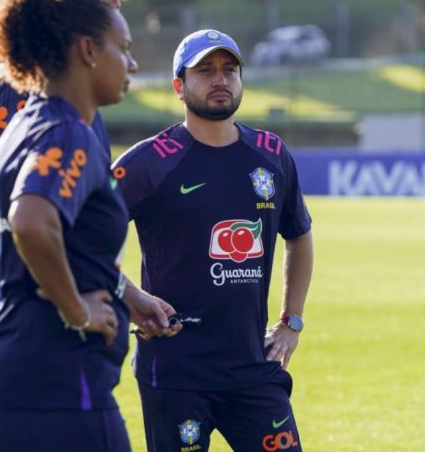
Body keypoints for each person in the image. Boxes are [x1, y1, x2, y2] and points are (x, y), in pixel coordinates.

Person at [0, 0, 176, 451]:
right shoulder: (67, 132)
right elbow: (30, 221)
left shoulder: (23, 125)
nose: (132, 64)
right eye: (124, 48)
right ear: (89, 51)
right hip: (56, 391)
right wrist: (72, 310)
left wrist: (27, 299)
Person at [112, 29, 314, 452]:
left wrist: (291, 321)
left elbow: (299, 235)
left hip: (252, 367)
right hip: (175, 372)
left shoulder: (271, 155)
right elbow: (86, 240)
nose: (220, 79)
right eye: (204, 71)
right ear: (179, 87)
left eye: (229, 70)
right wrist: (129, 297)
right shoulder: (150, 162)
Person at [0, 0, 142, 321]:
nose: (112, 3)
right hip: (39, 326)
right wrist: (56, 307)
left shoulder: (81, 92)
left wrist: (126, 295)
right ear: (55, 0)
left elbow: (76, 238)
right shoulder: (24, 80)